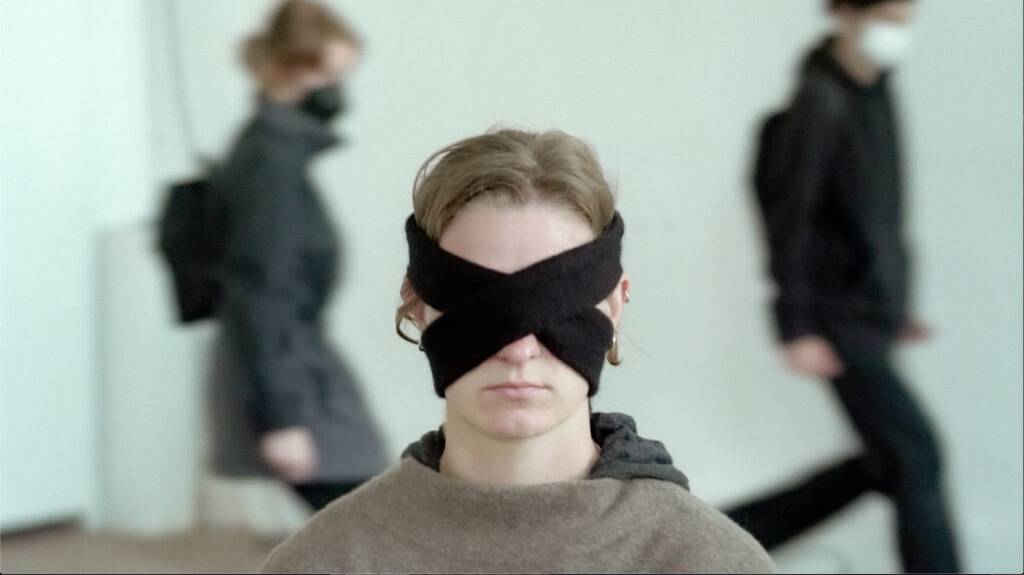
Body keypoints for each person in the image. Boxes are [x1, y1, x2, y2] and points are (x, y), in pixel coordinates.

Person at [260, 129, 776, 573]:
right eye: (478, 306)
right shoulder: (323, 563)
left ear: (617, 303)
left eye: (560, 300)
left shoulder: (706, 562)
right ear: (416, 305)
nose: (518, 348)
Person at [727, 0, 961, 572]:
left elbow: (877, 216)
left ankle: (723, 537)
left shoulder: (875, 92)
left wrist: (893, 301)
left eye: (905, 21)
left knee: (891, 461)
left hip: (869, 311)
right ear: (847, 13)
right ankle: (721, 538)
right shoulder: (818, 103)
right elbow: (790, 224)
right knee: (917, 453)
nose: (898, 34)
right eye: (890, 20)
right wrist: (796, 326)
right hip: (835, 316)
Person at [206, 0, 388, 512]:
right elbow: (262, 291)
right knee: (364, 515)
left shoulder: (276, 151)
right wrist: (283, 418)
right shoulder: (270, 163)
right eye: (328, 76)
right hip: (286, 369)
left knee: (368, 513)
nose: (336, 93)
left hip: (300, 358)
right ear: (288, 69)